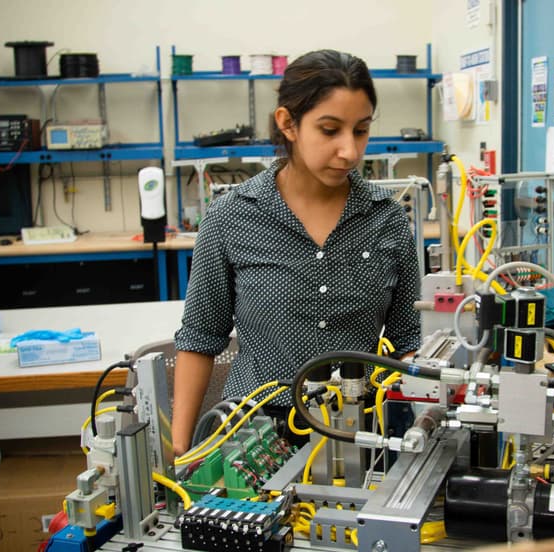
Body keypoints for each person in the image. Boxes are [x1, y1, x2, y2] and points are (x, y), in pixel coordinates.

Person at [171, 49, 422, 456]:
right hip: (254, 437)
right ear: (288, 123)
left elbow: (407, 340)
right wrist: (182, 452)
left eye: (360, 131)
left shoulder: (387, 219)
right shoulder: (232, 217)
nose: (350, 152)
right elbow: (200, 337)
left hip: (360, 432)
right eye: (329, 130)